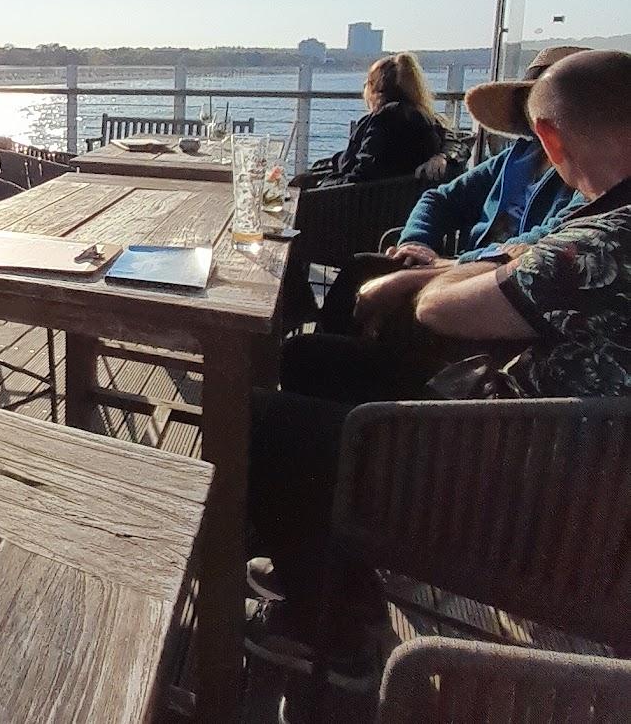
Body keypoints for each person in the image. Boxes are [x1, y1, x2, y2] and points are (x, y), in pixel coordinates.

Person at [245, 50, 631, 697]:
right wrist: (500, 260)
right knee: (307, 359)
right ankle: (329, 578)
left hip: (516, 497)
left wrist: (455, 270)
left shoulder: (598, 244)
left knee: (266, 420)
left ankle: (331, 636)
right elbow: (512, 258)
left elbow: (437, 306)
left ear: (549, 137)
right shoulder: (599, 223)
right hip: (578, 485)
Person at [317, 46, 585, 333]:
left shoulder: (589, 180)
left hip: (501, 291)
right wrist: (417, 242)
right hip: (458, 269)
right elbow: (439, 199)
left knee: (316, 348)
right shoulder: (517, 157)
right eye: (531, 101)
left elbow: (542, 244)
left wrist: (451, 264)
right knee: (358, 272)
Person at [293, 53, 444, 188]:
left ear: (375, 88)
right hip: (397, 201)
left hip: (361, 206)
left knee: (293, 191)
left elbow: (361, 175)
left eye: (368, 82)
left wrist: (320, 184)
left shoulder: (386, 119)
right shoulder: (423, 118)